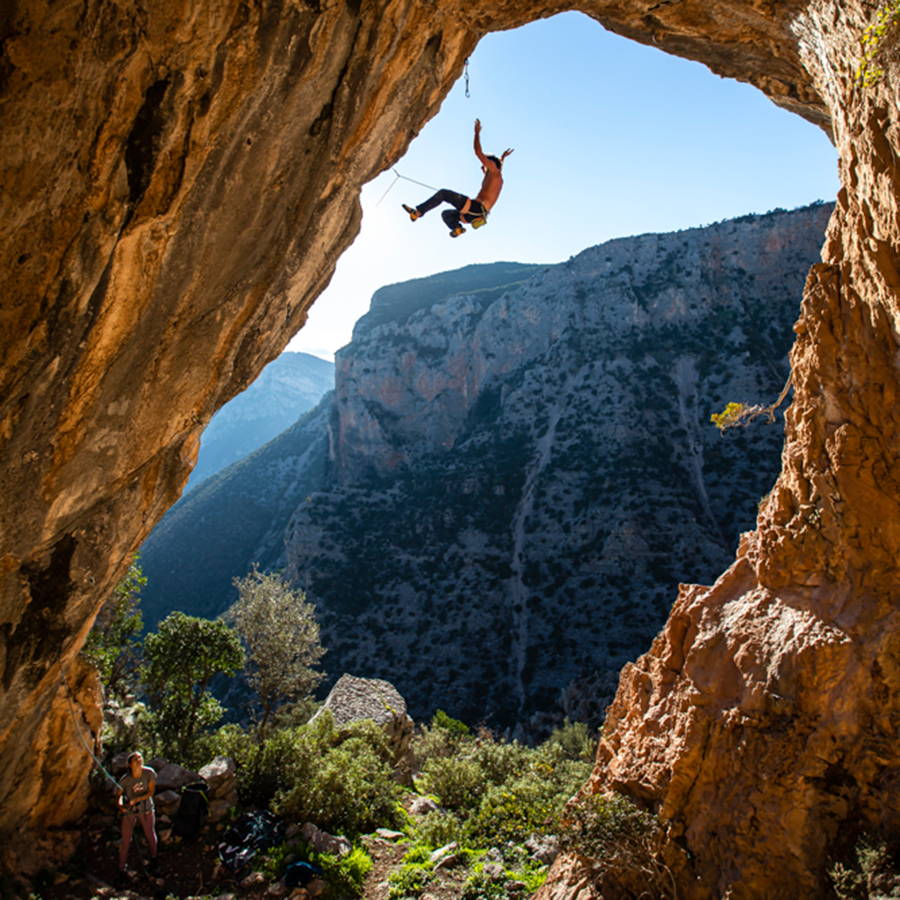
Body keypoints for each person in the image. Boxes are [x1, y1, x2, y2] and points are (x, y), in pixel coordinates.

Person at [403, 119, 514, 237]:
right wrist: (503, 158)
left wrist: (476, 133)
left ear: (491, 164)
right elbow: (498, 167)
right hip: (473, 215)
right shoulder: (496, 177)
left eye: (485, 165)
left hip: (476, 208)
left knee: (443, 194)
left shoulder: (494, 171)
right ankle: (457, 228)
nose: (483, 167)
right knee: (447, 214)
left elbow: (478, 152)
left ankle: (418, 212)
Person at [116, 751, 158, 877]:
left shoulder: (149, 773)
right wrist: (120, 805)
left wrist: (136, 800)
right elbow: (119, 796)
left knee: (150, 834)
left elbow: (150, 792)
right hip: (130, 811)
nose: (139, 760)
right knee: (125, 839)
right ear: (130, 764)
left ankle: (154, 859)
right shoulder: (125, 780)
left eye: (140, 757)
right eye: (136, 759)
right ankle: (121, 867)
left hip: (146, 809)